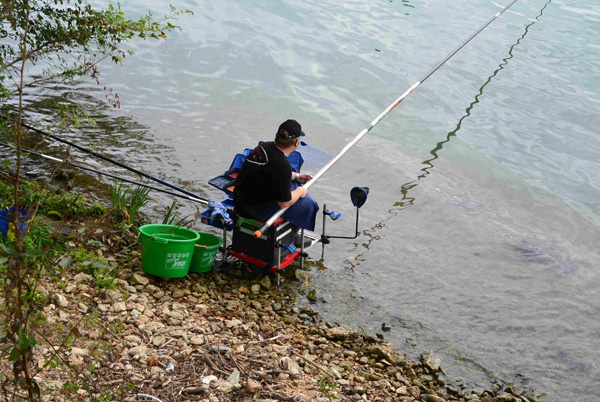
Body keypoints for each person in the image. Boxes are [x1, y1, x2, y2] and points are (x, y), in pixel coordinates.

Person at [233, 119, 320, 240]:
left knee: (293, 185)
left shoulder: (264, 147)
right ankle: (292, 237)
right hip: (253, 210)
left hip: (239, 199)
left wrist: (297, 176)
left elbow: (272, 172)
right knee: (308, 203)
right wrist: (300, 192)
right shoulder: (282, 166)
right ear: (296, 143)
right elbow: (284, 202)